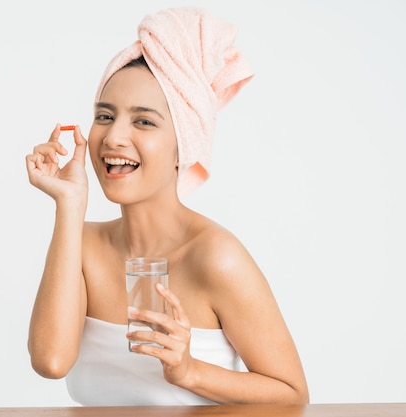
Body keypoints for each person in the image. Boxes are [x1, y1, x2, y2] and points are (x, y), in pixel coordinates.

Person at [25, 7, 309, 406]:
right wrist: (70, 204)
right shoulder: (82, 246)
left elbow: (293, 395)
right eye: (104, 116)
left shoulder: (216, 258)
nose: (114, 138)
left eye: (144, 122)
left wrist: (189, 371)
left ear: (185, 145)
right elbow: (51, 361)